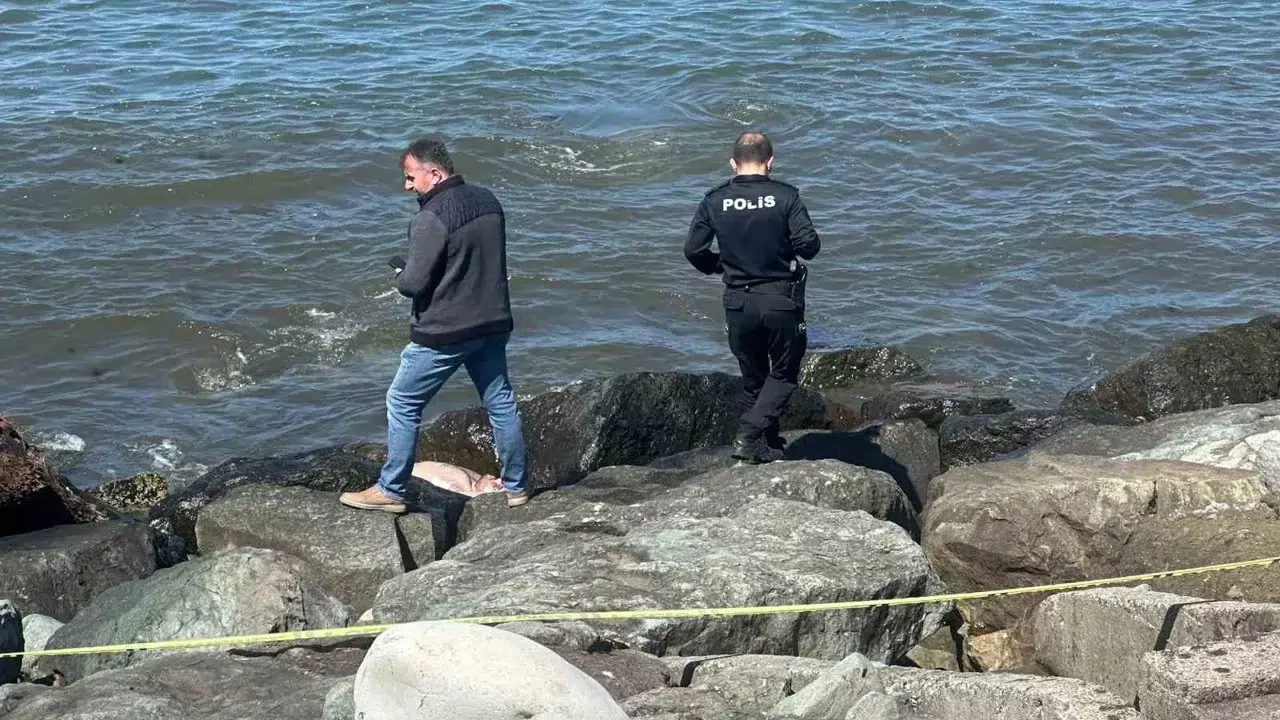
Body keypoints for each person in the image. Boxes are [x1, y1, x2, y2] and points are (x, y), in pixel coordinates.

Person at [340, 138, 530, 513]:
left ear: (435, 173)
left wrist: (400, 273)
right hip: (493, 321)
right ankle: (517, 486)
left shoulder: (431, 217)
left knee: (402, 401)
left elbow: (413, 284)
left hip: (446, 331)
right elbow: (470, 261)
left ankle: (391, 490)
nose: (407, 186)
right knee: (500, 403)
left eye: (411, 177)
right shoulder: (489, 201)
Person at [683, 131, 820, 464]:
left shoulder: (715, 200)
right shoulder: (786, 196)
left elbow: (693, 250)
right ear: (770, 162)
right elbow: (809, 247)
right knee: (784, 374)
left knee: (754, 378)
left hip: (738, 303)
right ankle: (749, 433)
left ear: (733, 164)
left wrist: (719, 264)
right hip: (779, 299)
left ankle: (764, 443)